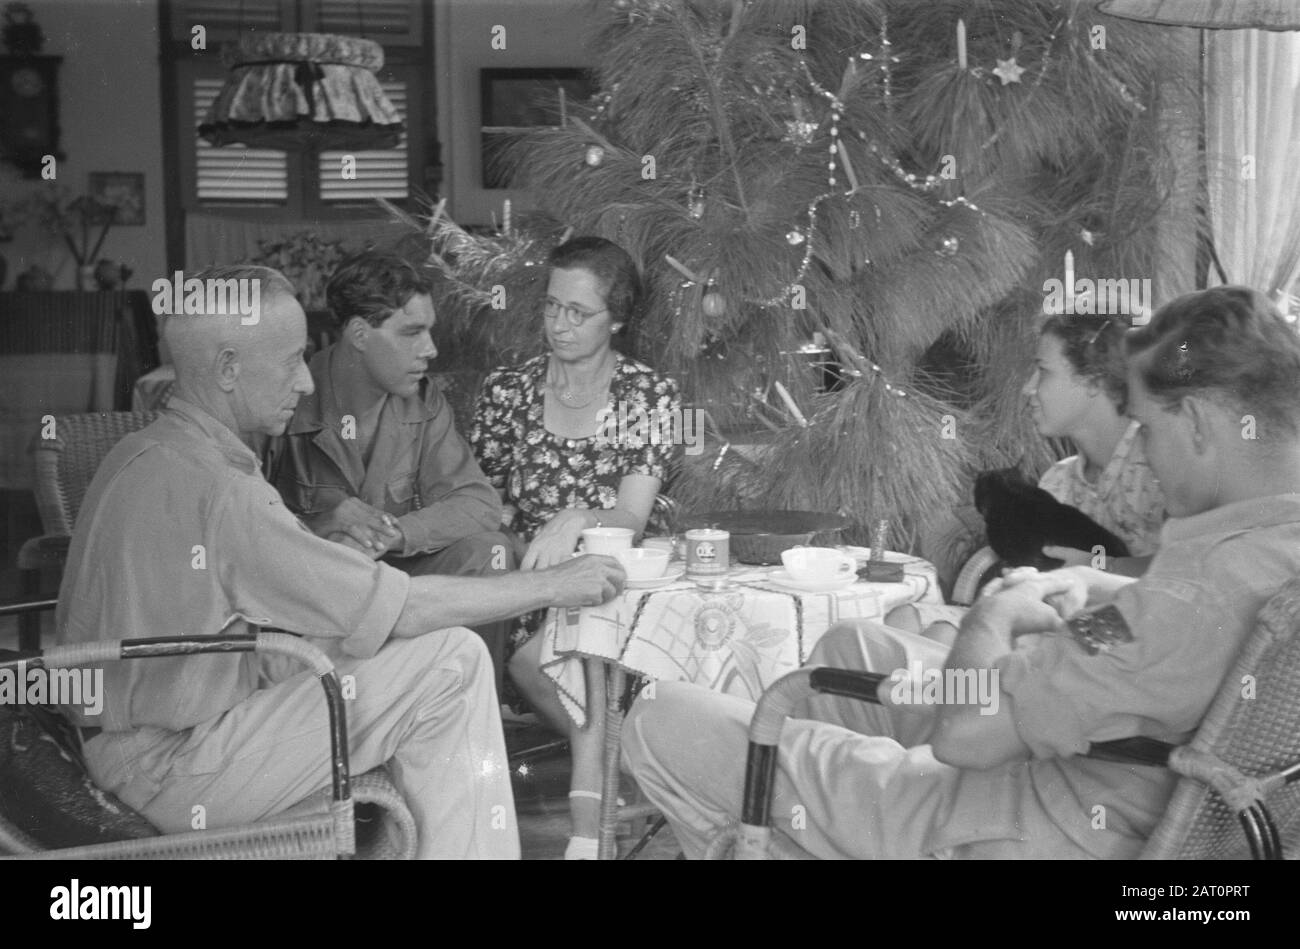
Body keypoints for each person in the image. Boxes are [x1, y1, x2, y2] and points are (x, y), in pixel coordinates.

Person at [623, 286, 1300, 859]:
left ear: (1206, 424)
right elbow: (1177, 629)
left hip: (1012, 818)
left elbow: (966, 732)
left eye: (1149, 428)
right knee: (850, 654)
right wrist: (1106, 588)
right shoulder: (1266, 552)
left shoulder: (1192, 597)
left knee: (658, 714)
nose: (1145, 457)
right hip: (1101, 779)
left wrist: (995, 612)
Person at [55, 264, 625, 860]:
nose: (305, 381)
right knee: (450, 663)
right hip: (173, 767)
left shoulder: (143, 451)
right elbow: (401, 608)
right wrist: (556, 583)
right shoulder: (221, 488)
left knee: (398, 656)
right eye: (292, 359)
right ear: (227, 369)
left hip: (137, 733)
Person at [470, 236, 681, 858]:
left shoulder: (647, 396)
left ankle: (601, 810)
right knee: (529, 654)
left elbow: (633, 517)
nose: (558, 325)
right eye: (551, 307)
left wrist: (576, 516)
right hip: (530, 566)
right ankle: (634, 779)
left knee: (544, 655)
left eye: (578, 313)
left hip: (618, 569)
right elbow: (481, 501)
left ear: (616, 318)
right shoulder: (509, 391)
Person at [269, 251, 515, 687]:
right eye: (412, 332)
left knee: (487, 550)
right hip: (308, 595)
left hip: (392, 581)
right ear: (360, 334)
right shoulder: (286, 400)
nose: (431, 349)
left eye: (430, 331)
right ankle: (332, 713)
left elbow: (478, 503)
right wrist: (325, 522)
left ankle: (470, 712)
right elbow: (241, 526)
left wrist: (393, 533)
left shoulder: (422, 399)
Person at [890, 314, 1167, 644]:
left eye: (1043, 371)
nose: (1028, 388)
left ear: (1094, 381)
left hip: (1112, 640)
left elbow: (1192, 572)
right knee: (903, 618)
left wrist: (1102, 567)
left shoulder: (1162, 467)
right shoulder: (1059, 481)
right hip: (1041, 623)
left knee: (945, 638)